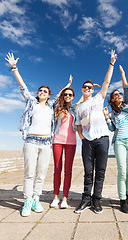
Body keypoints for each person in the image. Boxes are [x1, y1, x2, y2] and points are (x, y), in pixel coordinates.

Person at [5, 52, 71, 217]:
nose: (42, 92)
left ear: (49, 95)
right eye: (40, 90)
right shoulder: (31, 102)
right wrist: (14, 68)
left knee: (41, 173)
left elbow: (60, 96)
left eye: (45, 91)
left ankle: (36, 198)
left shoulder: (51, 106)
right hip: (31, 141)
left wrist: (68, 84)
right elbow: (23, 86)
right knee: (29, 173)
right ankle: (27, 201)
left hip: (47, 143)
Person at [74, 50, 117, 214]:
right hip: (87, 141)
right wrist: (82, 137)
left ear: (93, 89)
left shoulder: (99, 98)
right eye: (84, 87)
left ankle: (96, 200)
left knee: (100, 172)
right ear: (82, 89)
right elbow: (78, 124)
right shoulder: (79, 107)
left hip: (102, 140)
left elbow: (107, 81)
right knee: (87, 171)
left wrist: (111, 63)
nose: (86, 89)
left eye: (89, 87)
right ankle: (85, 200)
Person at [103, 65, 128, 214]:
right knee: (122, 171)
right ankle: (122, 200)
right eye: (115, 95)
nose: (119, 95)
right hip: (120, 142)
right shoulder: (112, 113)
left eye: (119, 94)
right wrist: (106, 118)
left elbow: (127, 88)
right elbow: (111, 129)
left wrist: (123, 73)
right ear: (112, 99)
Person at [50, 78, 77, 209]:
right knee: (57, 169)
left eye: (70, 94)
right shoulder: (58, 107)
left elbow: (85, 97)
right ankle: (56, 197)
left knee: (68, 171)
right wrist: (68, 85)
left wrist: (91, 88)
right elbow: (57, 96)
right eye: (65, 94)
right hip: (57, 141)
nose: (67, 96)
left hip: (71, 142)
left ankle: (65, 198)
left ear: (73, 97)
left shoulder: (75, 108)